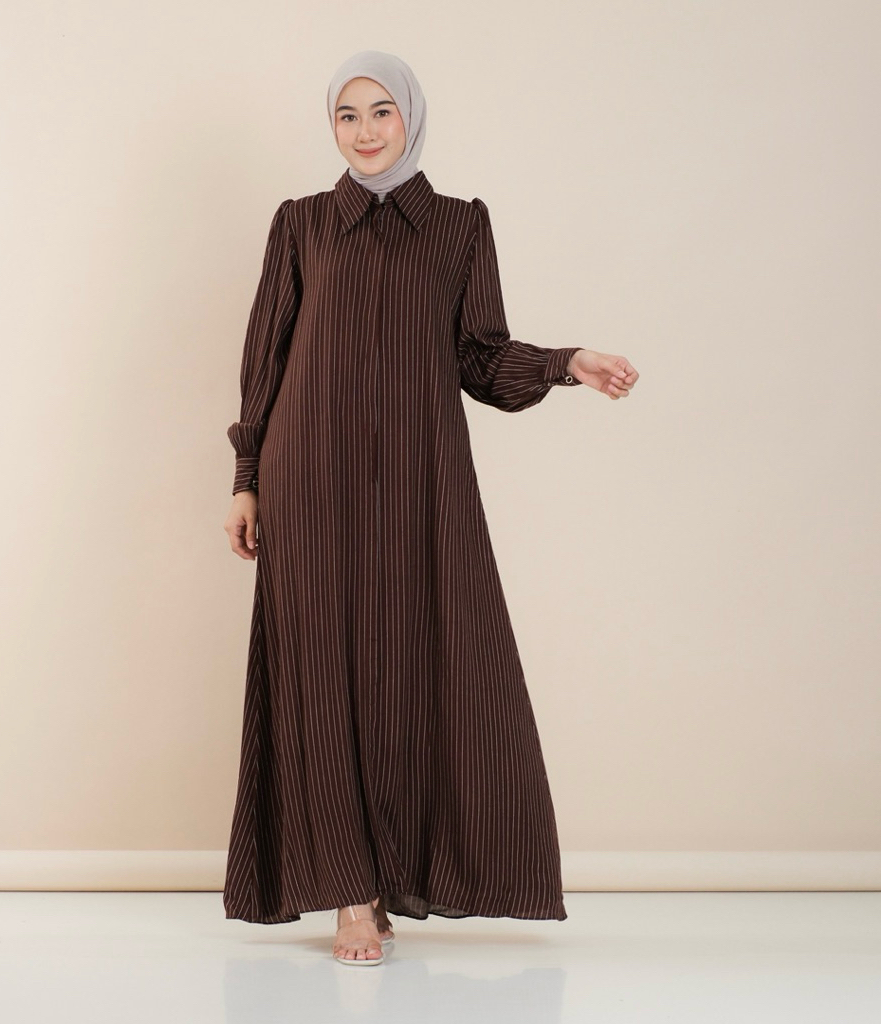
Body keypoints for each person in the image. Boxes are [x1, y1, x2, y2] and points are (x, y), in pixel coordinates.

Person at [222, 50, 639, 967]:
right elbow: (266, 358)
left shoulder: (458, 225)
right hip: (311, 479)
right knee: (320, 672)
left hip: (421, 483)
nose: (365, 131)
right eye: (347, 116)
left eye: (382, 111)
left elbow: (479, 355)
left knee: (420, 668)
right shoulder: (302, 224)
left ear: (411, 117)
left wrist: (565, 363)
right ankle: (352, 894)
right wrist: (248, 474)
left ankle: (402, 871)